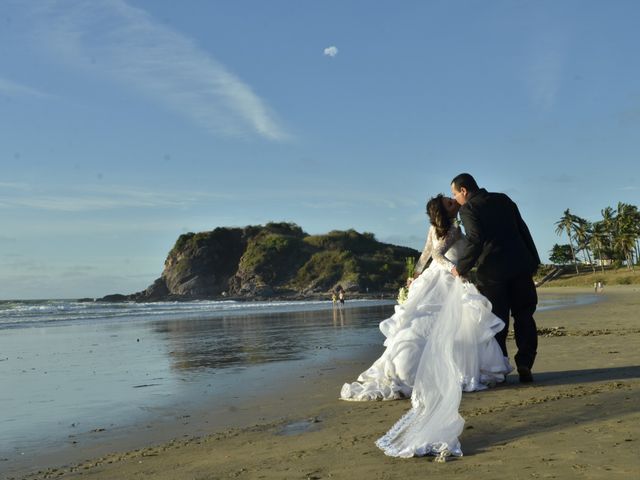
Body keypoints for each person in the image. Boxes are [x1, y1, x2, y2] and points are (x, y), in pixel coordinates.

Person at [340, 194, 512, 458]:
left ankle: (411, 367)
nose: (454, 202)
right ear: (446, 211)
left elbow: (425, 255)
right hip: (445, 278)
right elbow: (437, 254)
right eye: (449, 202)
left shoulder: (435, 228)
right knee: (449, 323)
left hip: (433, 276)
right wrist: (455, 270)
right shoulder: (453, 229)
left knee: (439, 324)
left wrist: (417, 274)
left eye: (453, 199)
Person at [450, 173, 540, 383]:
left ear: (464, 190)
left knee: (496, 321)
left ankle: (501, 365)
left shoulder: (469, 209)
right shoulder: (503, 199)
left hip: (492, 273)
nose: (455, 198)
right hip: (520, 266)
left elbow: (475, 239)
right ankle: (525, 362)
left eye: (454, 193)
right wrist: (533, 260)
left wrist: (461, 267)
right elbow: (522, 229)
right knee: (525, 316)